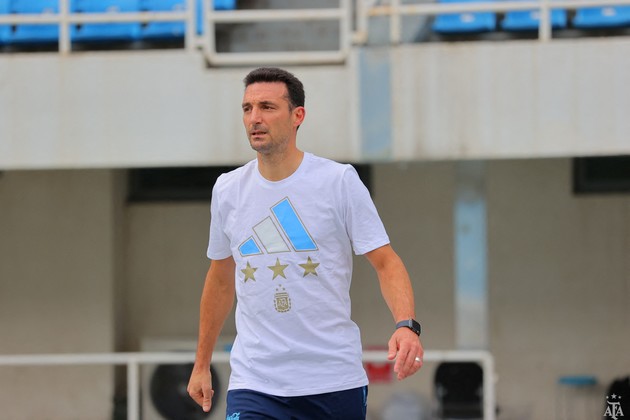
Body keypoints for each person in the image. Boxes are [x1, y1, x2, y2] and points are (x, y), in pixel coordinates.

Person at [187, 67, 424, 420]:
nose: (254, 118)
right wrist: (201, 363)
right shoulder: (227, 189)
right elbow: (220, 279)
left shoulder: (338, 181)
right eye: (247, 108)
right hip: (254, 382)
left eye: (267, 107)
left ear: (297, 115)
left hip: (333, 380)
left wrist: (406, 325)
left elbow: (386, 262)